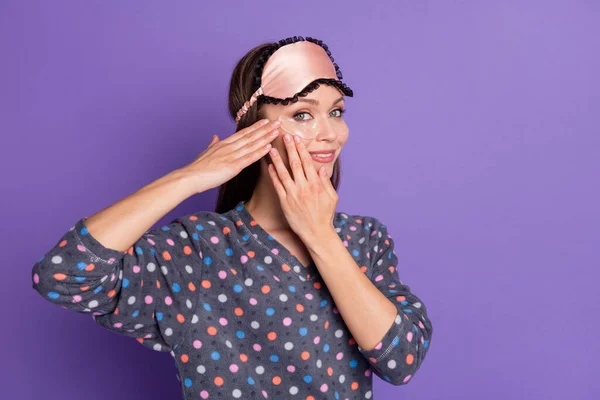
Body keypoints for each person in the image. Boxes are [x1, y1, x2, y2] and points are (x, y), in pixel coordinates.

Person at [32, 36, 433, 399]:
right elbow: (64, 275)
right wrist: (188, 178)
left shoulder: (364, 239)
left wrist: (320, 235)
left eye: (337, 112)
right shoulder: (197, 249)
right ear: (254, 129)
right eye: (303, 115)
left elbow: (402, 360)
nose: (331, 133)